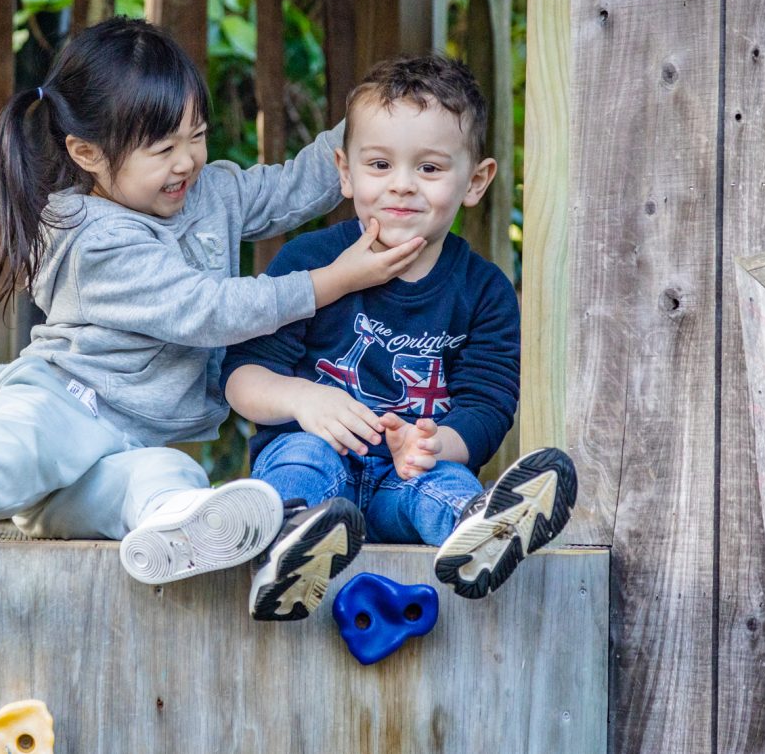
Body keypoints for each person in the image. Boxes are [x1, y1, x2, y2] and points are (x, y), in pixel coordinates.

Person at [0, 17, 427, 587]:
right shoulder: (88, 236)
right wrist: (332, 280)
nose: (188, 161)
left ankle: (172, 535)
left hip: (122, 447)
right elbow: (204, 308)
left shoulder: (211, 193)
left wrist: (384, 122)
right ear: (87, 152)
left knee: (168, 480)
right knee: (5, 459)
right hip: (58, 407)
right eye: (162, 150)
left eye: (196, 136)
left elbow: (295, 185)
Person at [223, 54, 577, 618]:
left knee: (439, 482)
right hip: (312, 461)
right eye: (381, 164)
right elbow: (241, 378)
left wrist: (434, 444)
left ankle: (479, 531)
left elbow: (487, 405)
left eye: (430, 169)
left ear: (476, 181)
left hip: (399, 481)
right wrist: (302, 398)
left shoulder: (483, 291)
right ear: (346, 172)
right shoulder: (310, 262)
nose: (403, 186)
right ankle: (287, 553)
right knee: (305, 459)